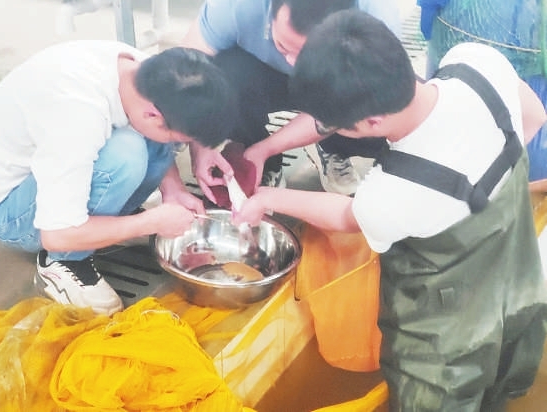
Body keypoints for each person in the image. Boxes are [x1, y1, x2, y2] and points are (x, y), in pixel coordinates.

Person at [234, 10, 547, 411]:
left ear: (372, 121)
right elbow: (534, 116)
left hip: (445, 355)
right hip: (519, 297)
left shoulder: (394, 194)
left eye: (335, 125)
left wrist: (266, 198)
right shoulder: (476, 63)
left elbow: (346, 217)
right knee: (505, 396)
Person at [0, 40, 236, 316]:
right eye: (180, 140)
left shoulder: (144, 72)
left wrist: (174, 189)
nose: (178, 146)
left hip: (51, 171)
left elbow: (156, 133)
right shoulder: (76, 117)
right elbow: (57, 234)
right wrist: (148, 223)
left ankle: (109, 224)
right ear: (152, 115)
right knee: (125, 155)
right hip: (12, 213)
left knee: (144, 141)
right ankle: (64, 264)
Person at [178, 0, 400, 198]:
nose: (294, 64)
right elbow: (186, 70)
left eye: (308, 53)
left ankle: (336, 148)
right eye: (283, 45)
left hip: (331, 84)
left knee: (376, 107)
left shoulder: (376, 18)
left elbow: (356, 101)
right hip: (262, 74)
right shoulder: (236, 5)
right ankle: (256, 155)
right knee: (226, 69)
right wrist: (200, 143)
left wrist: (267, 148)